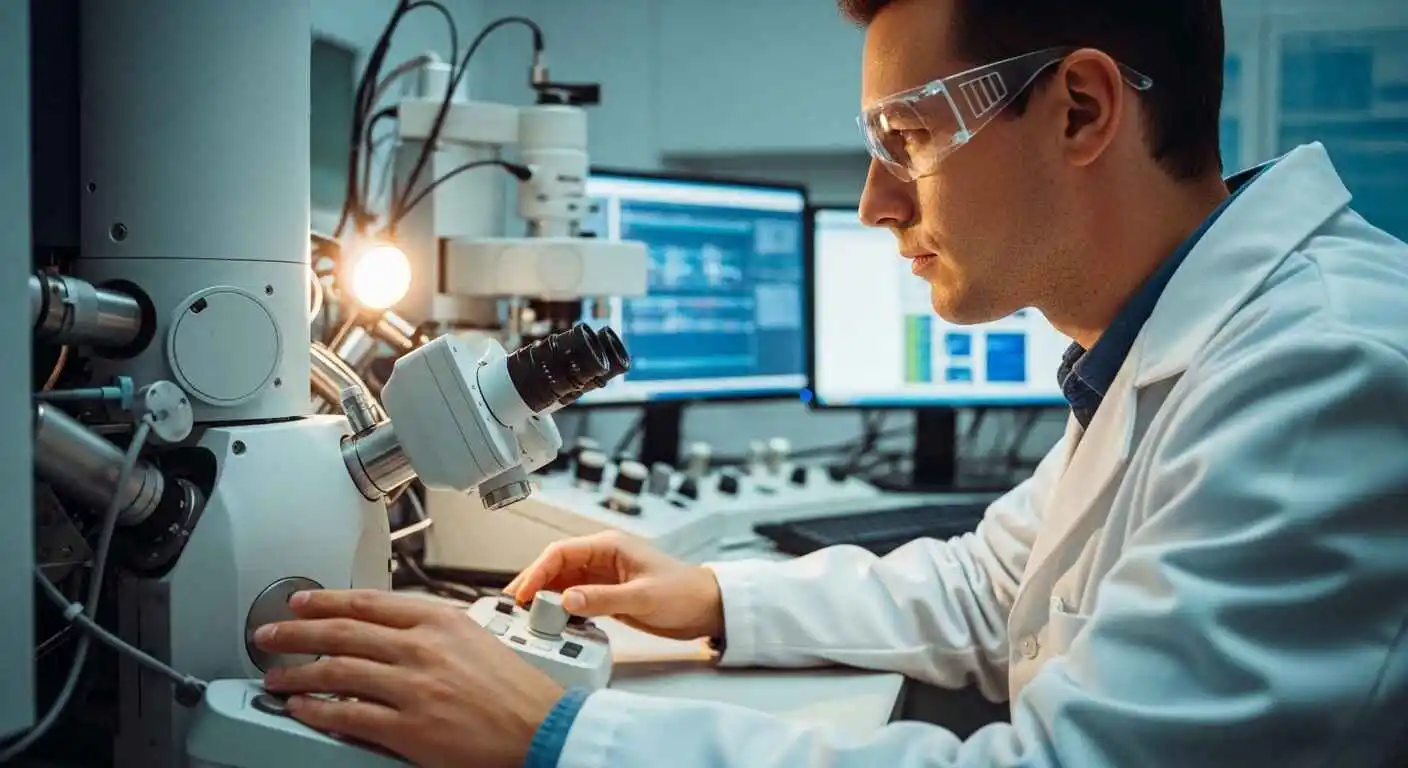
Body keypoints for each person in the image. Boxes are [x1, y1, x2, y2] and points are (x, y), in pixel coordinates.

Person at [252, 0, 1408, 765]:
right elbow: (987, 587)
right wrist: (715, 597)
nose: (872, 204)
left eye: (907, 138)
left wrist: (557, 732)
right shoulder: (1174, 346)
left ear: (1081, 109)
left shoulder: (1317, 373)